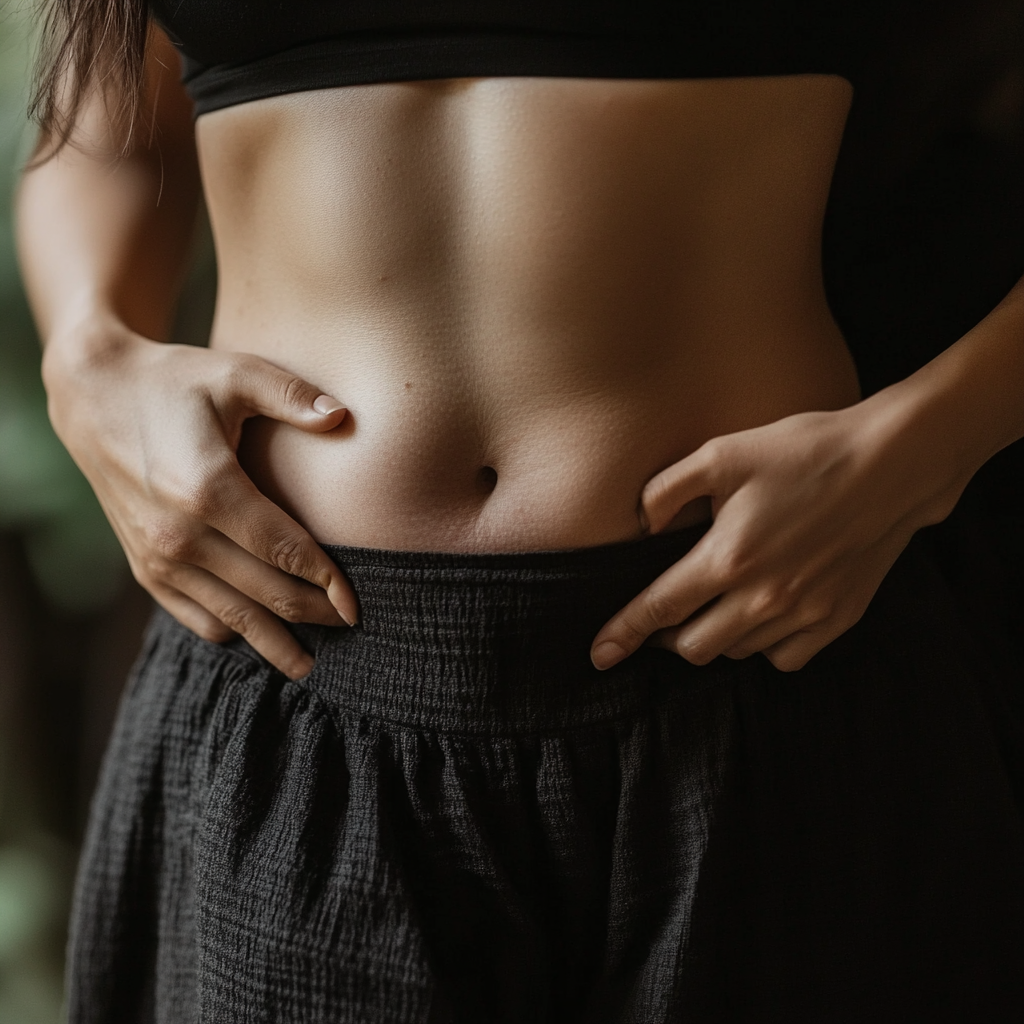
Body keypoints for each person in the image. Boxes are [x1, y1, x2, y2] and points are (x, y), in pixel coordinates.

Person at [16, 0, 1024, 1020]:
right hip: (291, 665)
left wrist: (931, 443)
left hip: (763, 658)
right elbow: (104, 131)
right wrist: (88, 354)